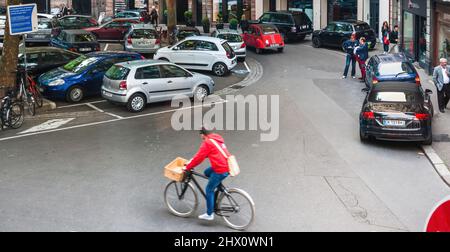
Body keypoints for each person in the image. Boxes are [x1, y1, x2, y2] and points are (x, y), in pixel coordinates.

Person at [184, 128, 231, 221]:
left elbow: (199, 158)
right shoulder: (216, 139)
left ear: (202, 134)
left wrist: (188, 167)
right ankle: (219, 186)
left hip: (220, 169)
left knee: (209, 189)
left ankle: (209, 214)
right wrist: (192, 161)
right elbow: (205, 154)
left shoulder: (207, 143)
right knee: (206, 172)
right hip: (227, 165)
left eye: (200, 133)